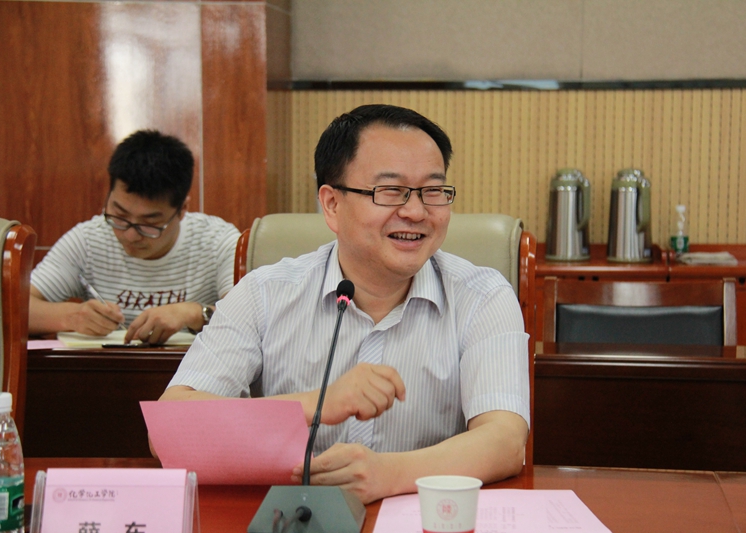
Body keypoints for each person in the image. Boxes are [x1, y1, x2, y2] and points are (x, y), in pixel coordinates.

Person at [161, 104, 530, 503]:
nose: (416, 211)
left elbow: (505, 441)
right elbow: (170, 428)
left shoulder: (482, 296)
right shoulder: (264, 293)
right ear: (332, 204)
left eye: (433, 191)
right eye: (390, 191)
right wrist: (317, 404)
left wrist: (388, 474)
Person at [29, 130, 241, 345]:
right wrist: (70, 316)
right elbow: (15, 308)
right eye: (120, 215)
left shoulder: (218, 242)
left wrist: (196, 314)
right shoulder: (88, 241)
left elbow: (250, 320)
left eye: (149, 223)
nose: (130, 235)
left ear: (182, 210)